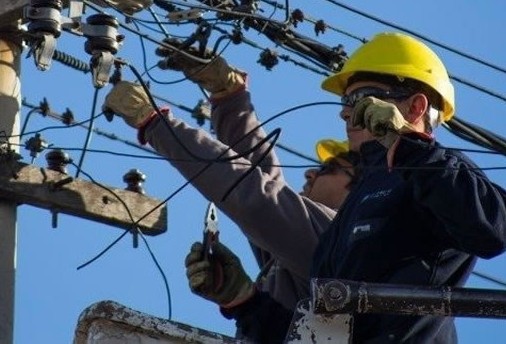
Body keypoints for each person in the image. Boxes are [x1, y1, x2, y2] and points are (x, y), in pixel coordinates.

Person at [214, 32, 506, 343]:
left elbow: (494, 231)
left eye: (361, 98)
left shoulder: (439, 172)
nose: (346, 113)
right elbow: (321, 333)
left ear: (414, 107)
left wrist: (409, 147)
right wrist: (245, 303)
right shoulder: (350, 212)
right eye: (346, 102)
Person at [103, 53, 356, 338]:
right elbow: (262, 178)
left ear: (359, 189)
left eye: (328, 168)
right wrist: (230, 97)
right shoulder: (300, 253)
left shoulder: (337, 237)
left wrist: (156, 125)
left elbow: (255, 196)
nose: (310, 173)